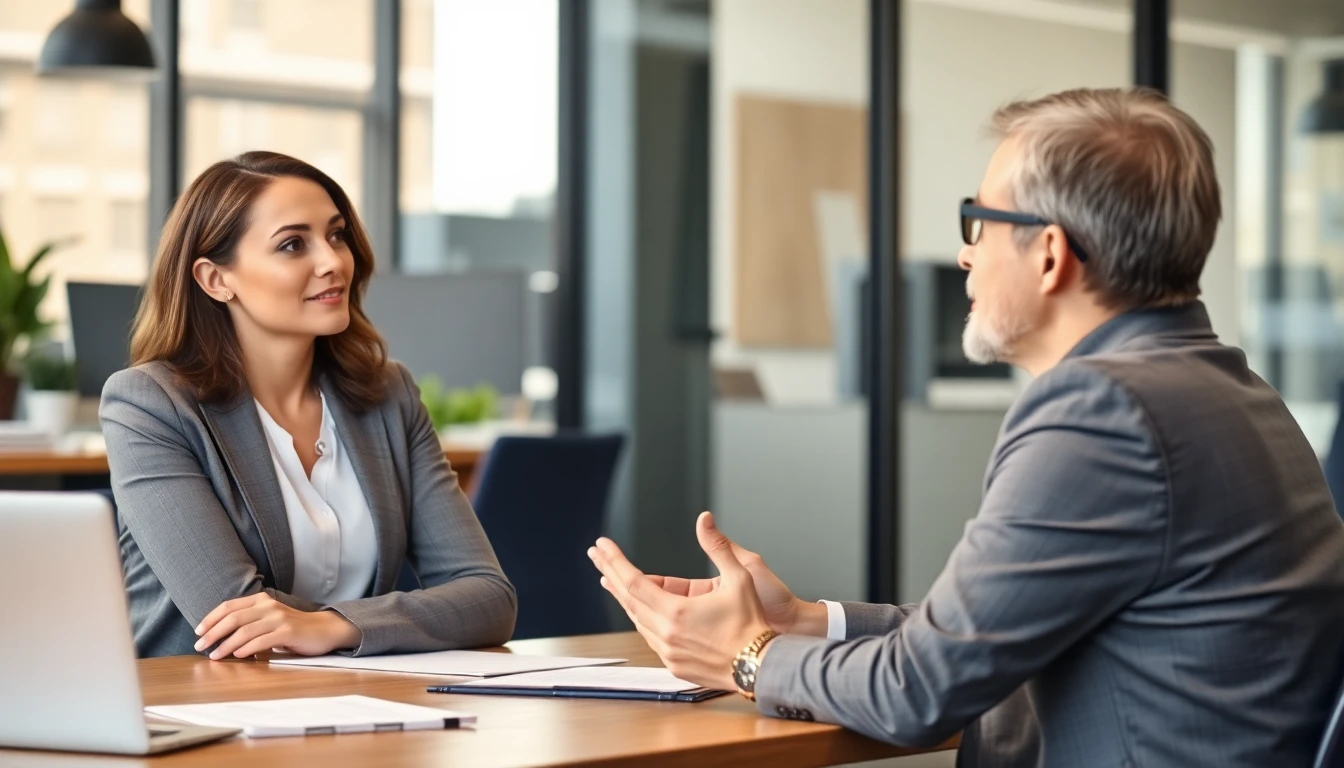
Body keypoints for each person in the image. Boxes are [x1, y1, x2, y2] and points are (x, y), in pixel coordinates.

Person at [589, 88, 1344, 766]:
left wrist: (745, 656)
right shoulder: (1236, 393)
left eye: (978, 221)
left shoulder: (1103, 414)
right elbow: (988, 633)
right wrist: (811, 622)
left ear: (1050, 255)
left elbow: (919, 692)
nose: (963, 252)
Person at [101, 151, 516, 659]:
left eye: (337, 234)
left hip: (361, 708)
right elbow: (231, 615)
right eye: (293, 244)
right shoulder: (149, 404)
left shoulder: (388, 395)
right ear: (216, 280)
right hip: (204, 711)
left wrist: (337, 625)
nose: (333, 261)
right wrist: (393, 621)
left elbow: (489, 598)